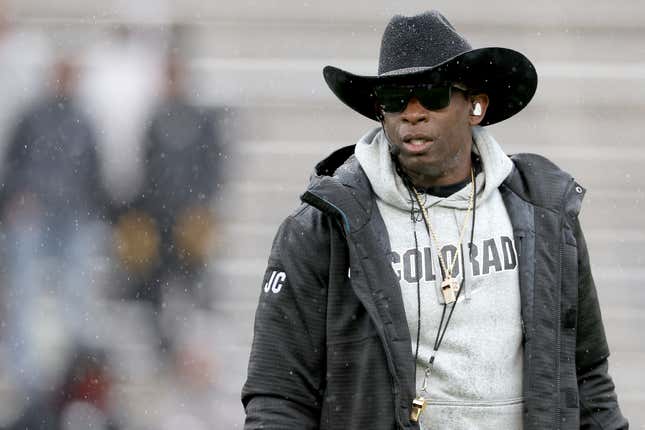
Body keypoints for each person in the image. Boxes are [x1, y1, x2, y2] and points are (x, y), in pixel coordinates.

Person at [241, 11, 628, 430]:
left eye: (432, 95)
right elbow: (280, 395)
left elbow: (587, 380)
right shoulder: (322, 228)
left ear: (475, 106)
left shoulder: (547, 215)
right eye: (393, 99)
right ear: (380, 113)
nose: (412, 113)